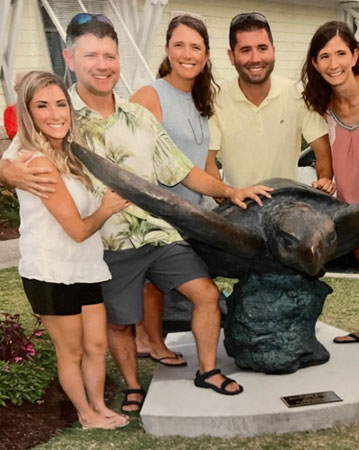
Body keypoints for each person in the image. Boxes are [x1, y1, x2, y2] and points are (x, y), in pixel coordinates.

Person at [0, 13, 271, 412]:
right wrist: (7, 171)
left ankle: (208, 370)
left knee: (207, 294)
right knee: (119, 322)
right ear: (69, 58)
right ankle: (131, 386)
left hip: (158, 235)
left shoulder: (139, 117)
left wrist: (231, 191)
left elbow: (181, 169)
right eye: (91, 55)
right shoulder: (58, 113)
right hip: (104, 243)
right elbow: (13, 157)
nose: (103, 64)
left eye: (110, 55)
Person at [2, 71, 129, 429]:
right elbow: (76, 230)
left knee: (96, 345)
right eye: (42, 106)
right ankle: (87, 415)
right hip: (51, 271)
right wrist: (106, 209)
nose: (55, 113)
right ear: (28, 114)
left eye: (60, 104)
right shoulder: (37, 163)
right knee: (71, 351)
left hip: (84, 266)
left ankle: (99, 407)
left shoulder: (68, 156)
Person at [300, 21, 359, 356]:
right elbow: (325, 157)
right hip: (351, 205)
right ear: (315, 63)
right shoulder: (320, 104)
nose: (334, 63)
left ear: (355, 54)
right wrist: (325, 179)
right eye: (324, 56)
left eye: (341, 53)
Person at [130, 14, 218, 368]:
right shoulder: (149, 96)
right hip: (158, 213)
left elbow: (201, 159)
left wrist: (225, 194)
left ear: (207, 55)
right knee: (152, 282)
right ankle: (152, 342)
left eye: (195, 47)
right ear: (167, 50)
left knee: (176, 285)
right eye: (179, 45)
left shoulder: (201, 97)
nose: (187, 54)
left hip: (193, 212)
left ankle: (149, 337)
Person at [206, 12, 335, 194]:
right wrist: (225, 196)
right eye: (245, 50)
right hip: (239, 207)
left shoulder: (297, 94)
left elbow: (322, 148)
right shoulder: (215, 100)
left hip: (287, 204)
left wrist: (323, 180)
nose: (255, 58)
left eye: (262, 48)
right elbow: (208, 160)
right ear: (231, 56)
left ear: (273, 50)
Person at [3, 72, 27, 140]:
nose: (26, 87)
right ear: (15, 88)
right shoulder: (10, 111)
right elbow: (13, 135)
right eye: (22, 84)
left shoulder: (43, 107)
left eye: (29, 83)